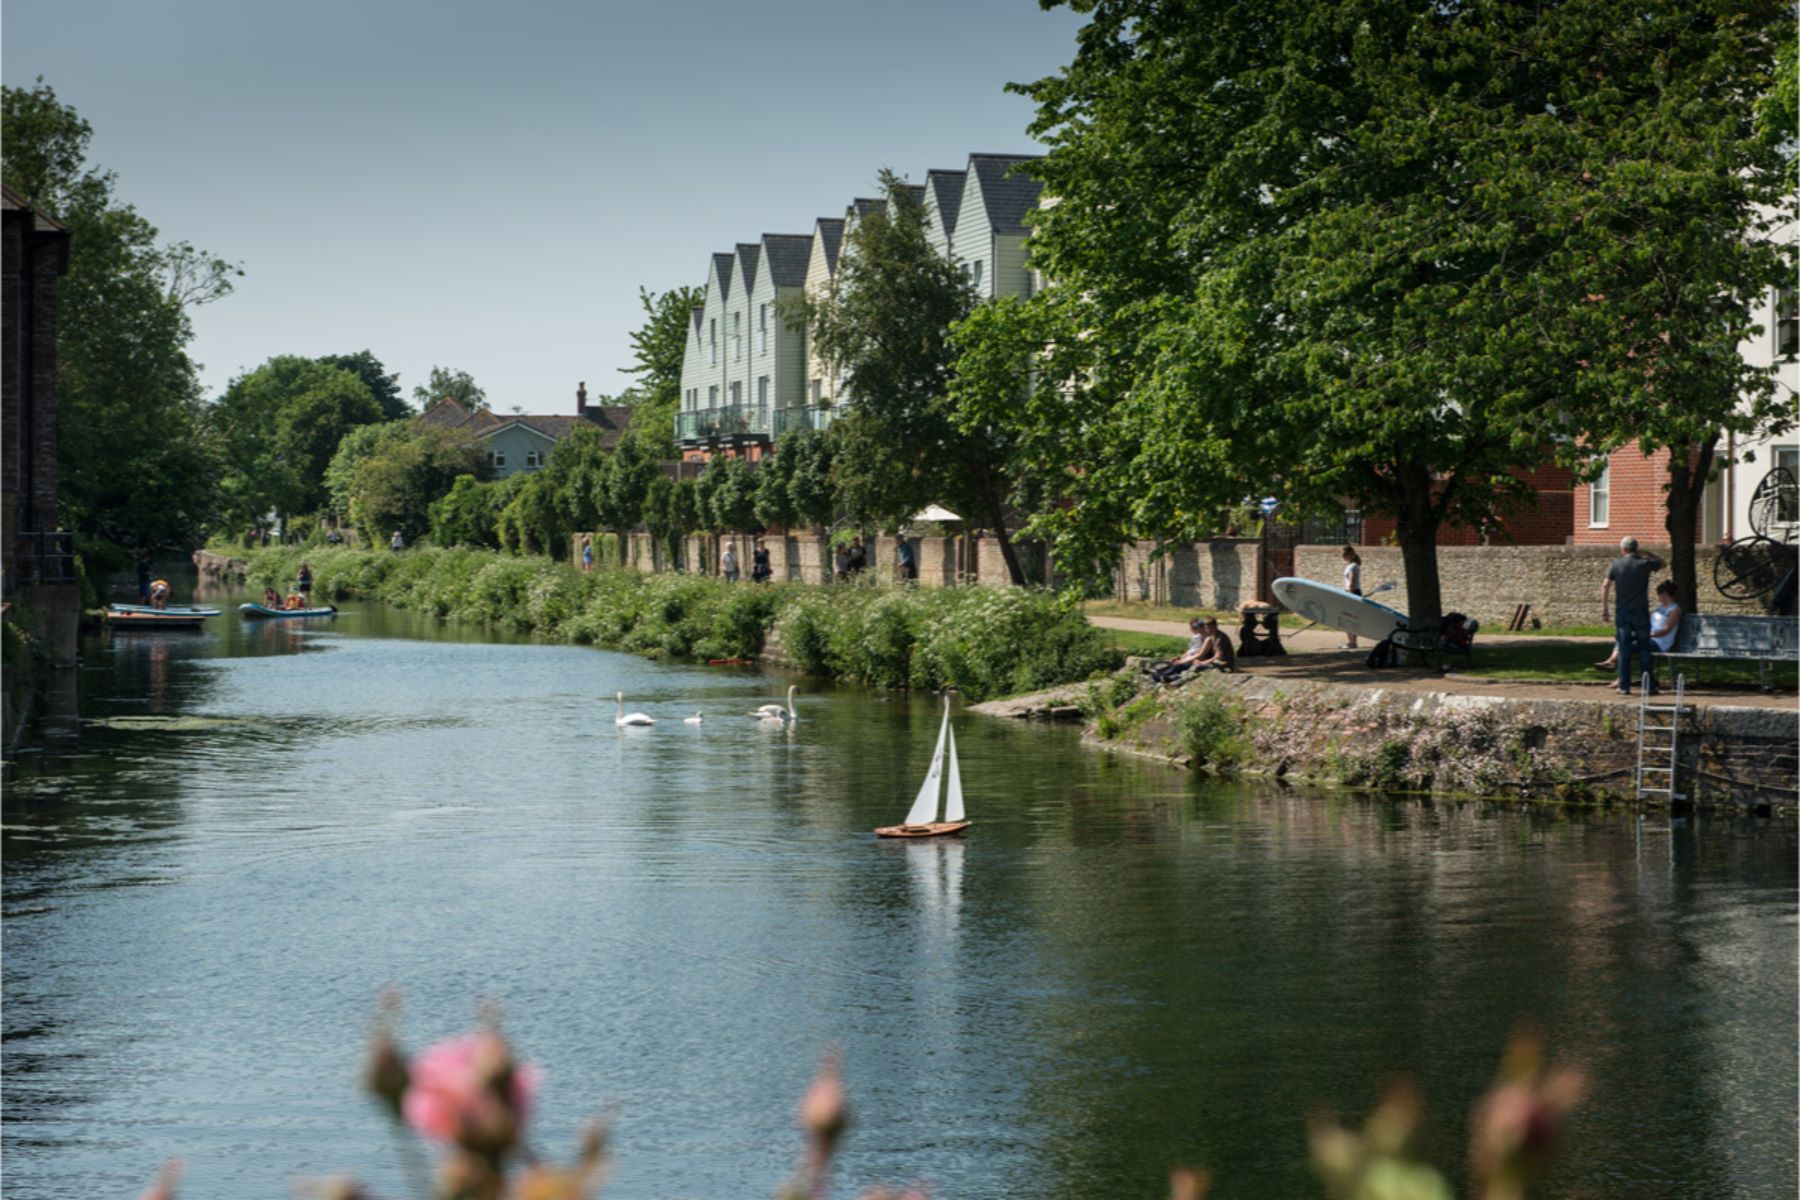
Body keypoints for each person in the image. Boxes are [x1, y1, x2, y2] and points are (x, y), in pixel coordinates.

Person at [1601, 536, 1665, 695]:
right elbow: (1663, 563)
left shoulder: (1616, 565)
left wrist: (1605, 609)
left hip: (1623, 612)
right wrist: (1647, 552)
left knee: (1624, 648)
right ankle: (1649, 686)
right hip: (1641, 611)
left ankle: (1624, 685)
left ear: (1623, 549)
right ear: (1636, 549)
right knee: (1644, 648)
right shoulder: (1644, 563)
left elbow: (1605, 585)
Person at [1595, 580, 1683, 670]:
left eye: (1659, 594)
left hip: (1659, 643)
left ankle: (1616, 669)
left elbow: (1666, 630)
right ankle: (1612, 662)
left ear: (1665, 594)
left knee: (1627, 646)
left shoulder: (1674, 610)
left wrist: (1646, 635)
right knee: (1624, 638)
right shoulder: (1660, 607)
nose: (1658, 597)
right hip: (1649, 638)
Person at [1147, 618, 1211, 684]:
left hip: (1192, 660)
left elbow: (1200, 654)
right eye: (1194, 627)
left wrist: (1183, 660)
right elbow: (1192, 651)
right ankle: (1161, 674)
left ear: (1203, 628)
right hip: (1189, 658)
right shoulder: (1200, 637)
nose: (1195, 629)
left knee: (1176, 666)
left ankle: (1165, 677)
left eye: (1196, 627)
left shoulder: (1206, 639)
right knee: (1172, 665)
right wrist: (1180, 657)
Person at [1340, 545, 1363, 650]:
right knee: (1348, 617)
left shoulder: (1353, 566)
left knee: (1349, 617)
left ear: (1350, 554)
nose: (1342, 556)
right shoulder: (1351, 565)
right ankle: (1351, 642)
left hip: (1352, 592)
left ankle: (1352, 642)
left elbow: (1351, 582)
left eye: (1344, 554)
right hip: (1352, 592)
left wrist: (1350, 593)